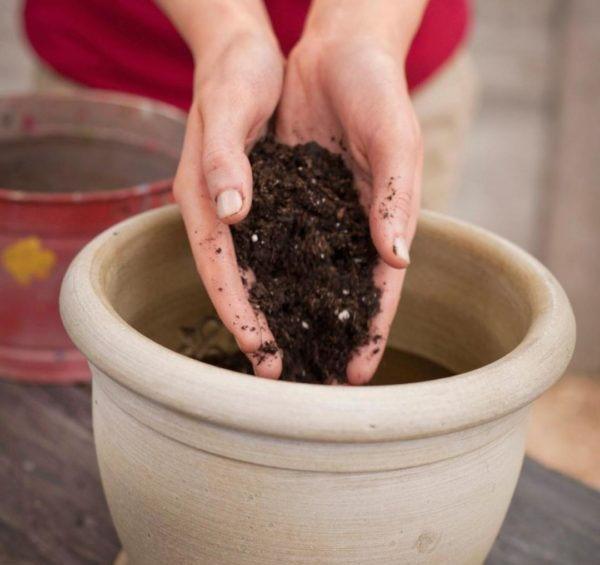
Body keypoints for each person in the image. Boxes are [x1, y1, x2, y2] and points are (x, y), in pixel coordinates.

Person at [25, 0, 475, 384]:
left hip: (379, 82)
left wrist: (362, 34)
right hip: (114, 82)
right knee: (78, 352)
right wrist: (228, 35)